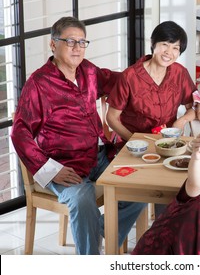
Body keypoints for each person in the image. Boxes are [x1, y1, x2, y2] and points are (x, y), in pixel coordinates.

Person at [11, 16, 145, 255]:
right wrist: (50, 169)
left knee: (140, 182)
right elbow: (20, 133)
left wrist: (149, 67)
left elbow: (119, 80)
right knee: (83, 202)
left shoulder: (88, 71)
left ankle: (99, 229)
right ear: (53, 45)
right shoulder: (38, 84)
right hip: (63, 165)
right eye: (70, 41)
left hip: (97, 155)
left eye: (82, 42)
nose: (77, 48)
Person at [105, 21, 196, 218]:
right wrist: (135, 140)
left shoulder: (180, 73)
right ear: (153, 44)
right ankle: (109, 230)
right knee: (140, 191)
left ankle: (162, 233)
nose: (169, 52)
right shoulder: (129, 77)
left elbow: (193, 108)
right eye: (165, 44)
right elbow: (111, 118)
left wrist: (181, 121)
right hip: (132, 147)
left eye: (175, 48)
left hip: (168, 145)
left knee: (179, 187)